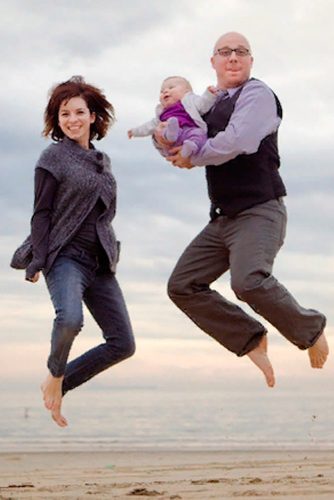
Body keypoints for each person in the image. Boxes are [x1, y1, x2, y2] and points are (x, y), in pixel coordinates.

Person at [164, 32, 329, 387]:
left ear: (251, 60)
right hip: (223, 218)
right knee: (182, 285)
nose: (233, 58)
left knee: (248, 280)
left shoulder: (258, 94)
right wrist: (167, 141)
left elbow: (239, 139)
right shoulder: (206, 105)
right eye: (225, 52)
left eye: (241, 52)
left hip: (260, 210)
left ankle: (310, 329)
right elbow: (178, 138)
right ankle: (250, 337)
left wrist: (194, 156)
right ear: (214, 62)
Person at [11, 76, 135, 427]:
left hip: (100, 263)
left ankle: (61, 383)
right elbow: (42, 212)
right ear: (58, 118)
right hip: (65, 257)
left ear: (93, 116)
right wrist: (37, 258)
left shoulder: (102, 160)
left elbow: (102, 213)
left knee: (123, 344)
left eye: (79, 112)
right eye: (65, 113)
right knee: (69, 320)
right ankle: (55, 372)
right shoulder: (53, 157)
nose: (72, 119)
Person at [128, 76, 217, 157]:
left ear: (186, 92)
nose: (165, 91)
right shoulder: (162, 113)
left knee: (199, 134)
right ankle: (171, 133)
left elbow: (203, 104)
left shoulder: (191, 102)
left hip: (189, 131)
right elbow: (148, 126)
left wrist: (209, 94)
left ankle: (189, 147)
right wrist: (134, 131)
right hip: (170, 141)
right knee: (164, 128)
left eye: (171, 88)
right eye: (162, 91)